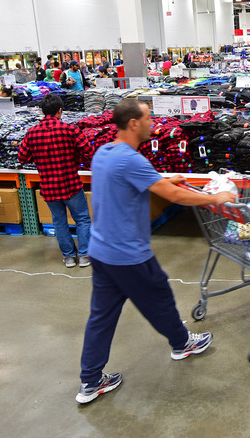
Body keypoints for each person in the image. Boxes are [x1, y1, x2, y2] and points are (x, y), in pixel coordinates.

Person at [75, 98, 235, 404]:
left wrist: (162, 178)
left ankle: (90, 381)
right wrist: (217, 198)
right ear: (133, 123)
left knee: (101, 317)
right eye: (148, 118)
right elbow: (175, 196)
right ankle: (181, 343)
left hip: (101, 251)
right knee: (160, 296)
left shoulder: (104, 153)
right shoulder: (132, 160)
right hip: (128, 255)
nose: (153, 122)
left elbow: (131, 182)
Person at [18, 94, 93, 268]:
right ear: (60, 111)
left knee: (59, 222)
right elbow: (88, 150)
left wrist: (37, 156)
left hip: (49, 187)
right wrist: (75, 156)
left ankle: (68, 257)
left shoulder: (32, 133)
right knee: (82, 219)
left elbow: (22, 157)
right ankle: (84, 255)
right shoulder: (69, 129)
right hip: (71, 184)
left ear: (42, 111)